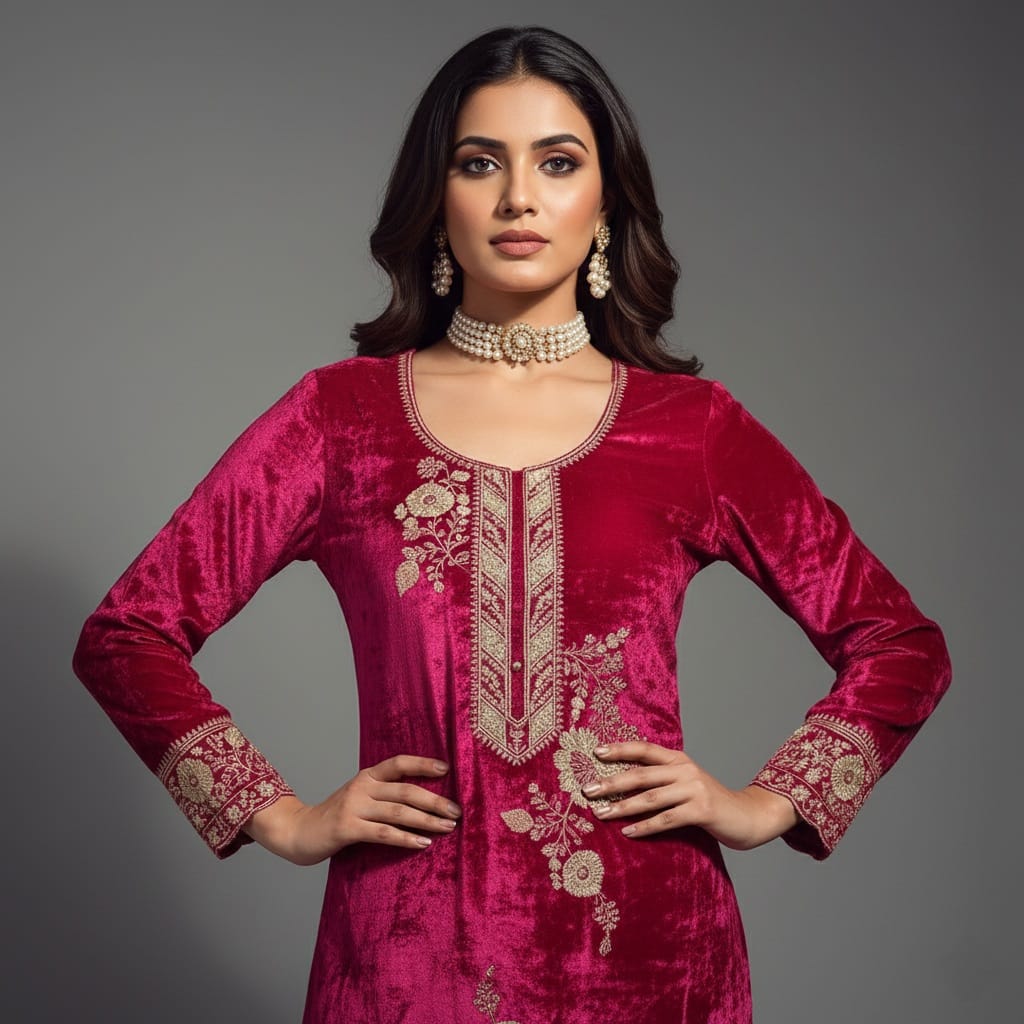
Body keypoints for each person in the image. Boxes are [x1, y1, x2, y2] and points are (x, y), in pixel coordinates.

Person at [72, 24, 951, 1024]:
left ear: (607, 200)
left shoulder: (692, 430)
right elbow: (128, 634)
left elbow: (900, 643)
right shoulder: (337, 420)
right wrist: (273, 813)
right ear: (434, 197)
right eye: (479, 162)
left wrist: (764, 803)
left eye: (558, 162)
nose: (518, 198)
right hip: (405, 959)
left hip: (649, 957)